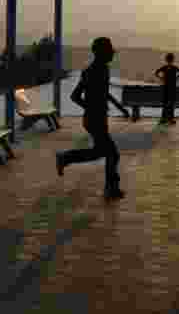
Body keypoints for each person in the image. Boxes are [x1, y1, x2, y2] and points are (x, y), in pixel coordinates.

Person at [56, 37, 131, 199]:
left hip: (96, 119)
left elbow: (99, 94)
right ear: (102, 53)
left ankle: (65, 157)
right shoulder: (95, 71)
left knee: (99, 152)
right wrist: (92, 109)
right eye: (110, 52)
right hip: (94, 120)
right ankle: (111, 189)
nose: (112, 55)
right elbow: (75, 96)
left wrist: (118, 108)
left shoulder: (99, 69)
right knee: (112, 154)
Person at [154, 52, 179, 124]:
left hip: (166, 88)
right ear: (173, 60)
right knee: (171, 104)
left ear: (166, 60)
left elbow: (156, 73)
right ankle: (171, 119)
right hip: (172, 88)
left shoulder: (164, 67)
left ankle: (163, 119)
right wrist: (176, 78)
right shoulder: (174, 67)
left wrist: (161, 78)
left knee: (165, 104)